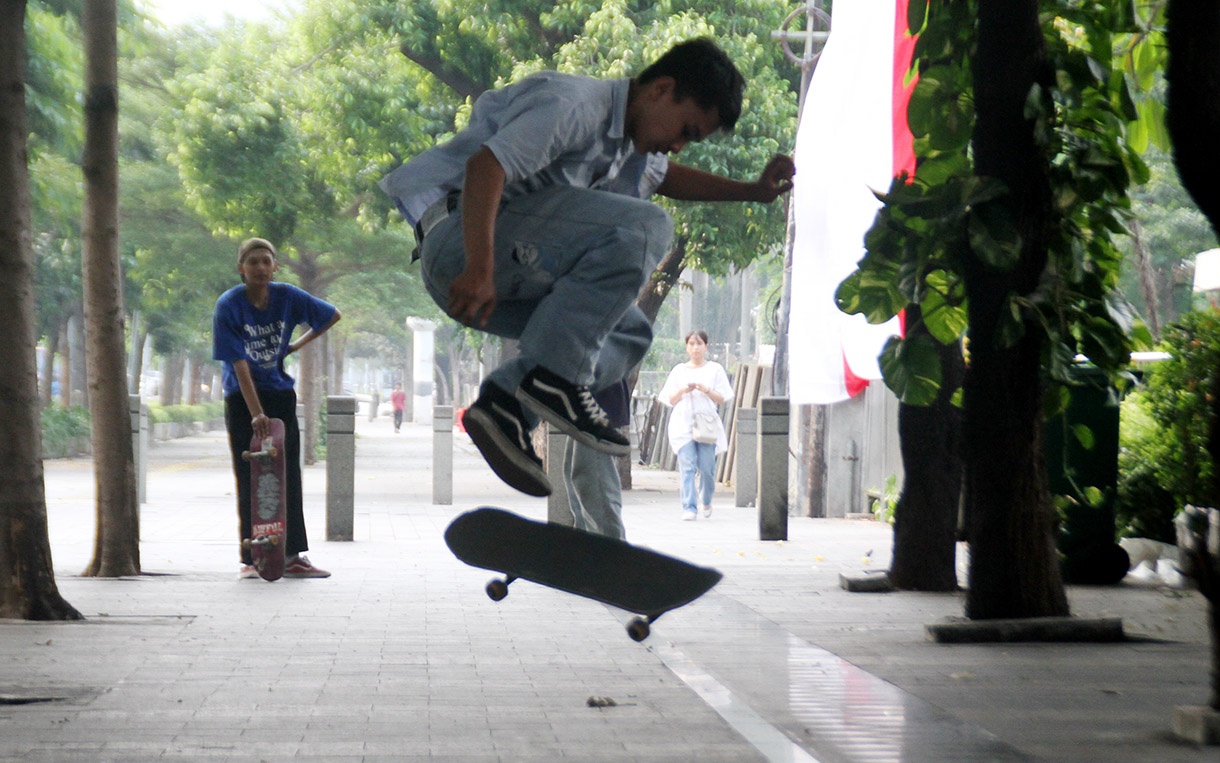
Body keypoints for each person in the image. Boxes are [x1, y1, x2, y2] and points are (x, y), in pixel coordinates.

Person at [379, 38, 794, 498]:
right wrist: (478, 265)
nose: (676, 146)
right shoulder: (573, 104)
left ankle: (506, 405)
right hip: (462, 244)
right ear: (661, 89)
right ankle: (551, 385)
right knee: (648, 227)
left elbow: (669, 179)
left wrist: (751, 191)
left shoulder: (637, 151)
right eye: (685, 131)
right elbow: (486, 166)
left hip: (510, 268)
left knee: (630, 332)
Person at [213, 237, 341, 579]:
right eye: (252, 262)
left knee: (287, 475)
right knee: (250, 474)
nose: (260, 268)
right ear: (242, 268)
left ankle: (292, 555)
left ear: (275, 266)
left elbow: (331, 316)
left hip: (279, 395)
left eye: (266, 261)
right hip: (242, 398)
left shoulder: (287, 296)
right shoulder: (229, 305)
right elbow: (238, 363)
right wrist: (256, 413)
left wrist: (295, 345)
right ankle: (252, 557)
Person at [658, 330, 734, 521]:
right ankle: (689, 506)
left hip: (705, 422)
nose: (695, 347)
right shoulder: (679, 371)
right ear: (687, 347)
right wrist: (683, 389)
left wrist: (706, 389)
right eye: (691, 344)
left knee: (707, 468)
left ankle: (706, 499)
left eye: (699, 343)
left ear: (706, 346)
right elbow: (669, 399)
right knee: (687, 466)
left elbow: (723, 398)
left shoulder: (715, 369)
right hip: (682, 422)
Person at [562, 380, 631, 541]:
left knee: (597, 491)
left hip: (595, 408)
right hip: (582, 408)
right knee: (581, 489)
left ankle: (612, 560)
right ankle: (589, 557)